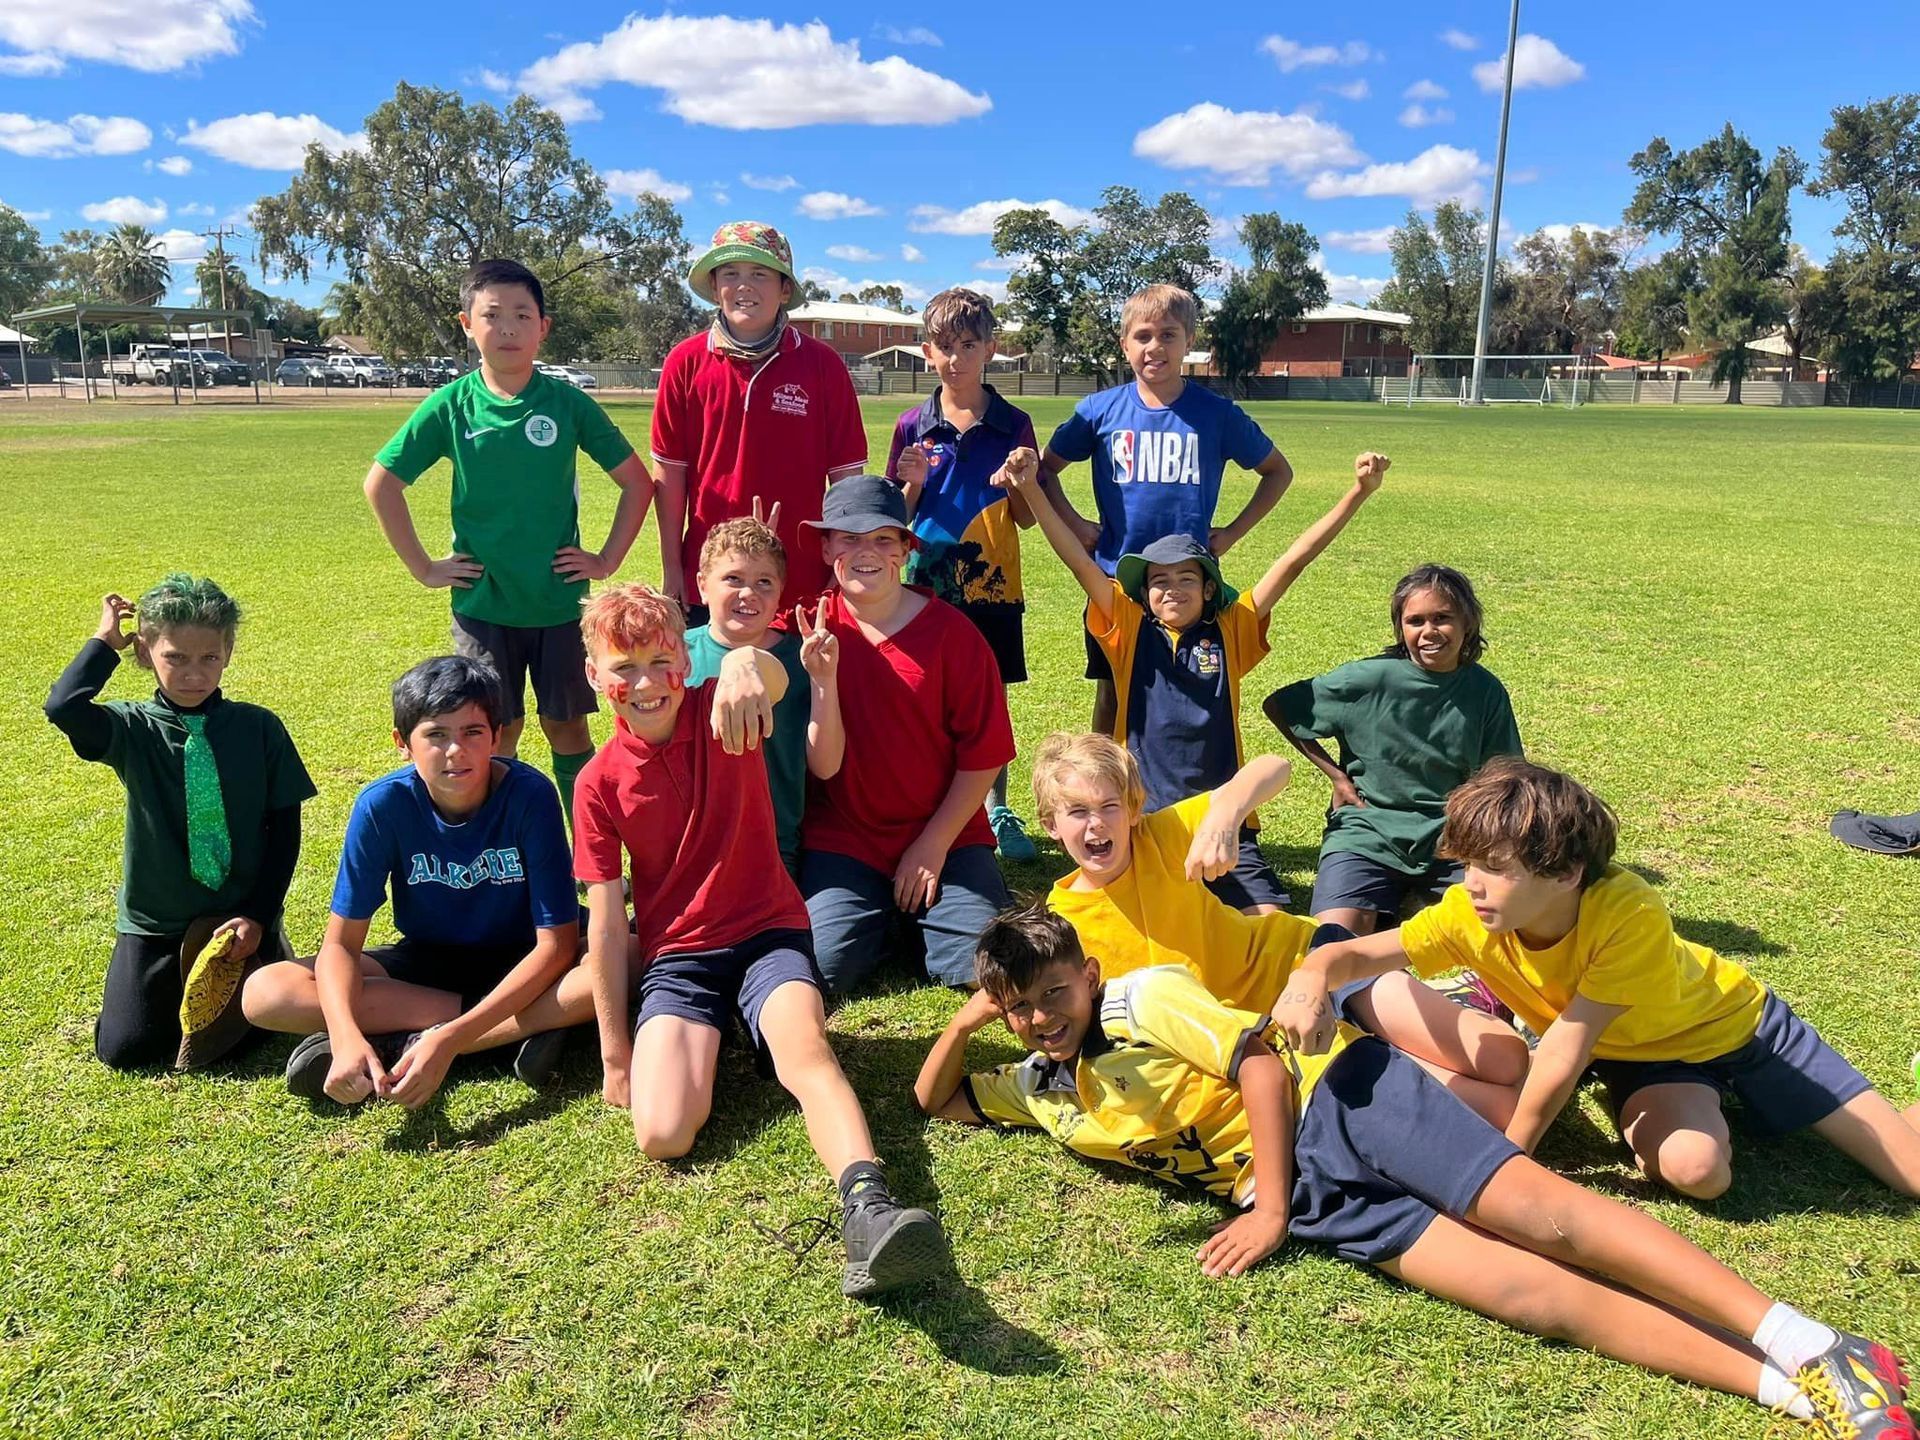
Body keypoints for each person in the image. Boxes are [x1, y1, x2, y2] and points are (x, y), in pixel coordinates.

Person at [917, 905, 1914, 1439]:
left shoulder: (1139, 1000)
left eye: (1053, 993)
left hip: (1342, 1101)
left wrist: (1263, 1213)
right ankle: (1793, 1396)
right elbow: (939, 1101)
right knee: (1534, 1298)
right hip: (1316, 1197)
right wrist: (969, 1019)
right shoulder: (1043, 1088)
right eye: (1021, 1007)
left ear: (1087, 975)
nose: (1041, 1017)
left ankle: (1812, 1340)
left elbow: (1260, 1063)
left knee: (1549, 1216)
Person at [1273, 757, 1920, 1206]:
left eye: (1493, 867)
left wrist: (1506, 1166)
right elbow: (1353, 957)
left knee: (1912, 1175)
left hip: (1743, 1031)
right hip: (1639, 1059)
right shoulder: (1467, 915)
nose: (1470, 882)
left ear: (1565, 873)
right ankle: (1660, 1106)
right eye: (1468, 862)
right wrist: (1308, 979)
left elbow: (1563, 1050)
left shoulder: (1628, 910)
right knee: (1699, 1173)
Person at [572, 581, 948, 1298]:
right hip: (679, 958)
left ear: (684, 661)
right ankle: (723, 1033)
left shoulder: (726, 709)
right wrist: (615, 1054)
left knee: (806, 1053)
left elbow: (773, 674)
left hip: (766, 931)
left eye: (661, 660)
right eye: (624, 668)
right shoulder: (596, 783)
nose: (647, 683)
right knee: (663, 1135)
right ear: (595, 676)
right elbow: (604, 920)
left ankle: (869, 1207)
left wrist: (747, 665)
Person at [1027, 730, 1525, 1110]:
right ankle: (1451, 1004)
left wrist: (1224, 818)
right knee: (1496, 1106)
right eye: (1076, 811)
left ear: (1134, 810)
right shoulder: (1061, 925)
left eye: (1109, 806)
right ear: (1051, 825)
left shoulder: (1160, 837)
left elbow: (1274, 766)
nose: (1096, 824)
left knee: (1503, 1058)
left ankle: (1474, 1000)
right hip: (1266, 1037)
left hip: (1313, 963)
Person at [1006, 446, 1388, 912]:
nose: (1172, 589)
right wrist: (1029, 488)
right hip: (1141, 821)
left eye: (1187, 578)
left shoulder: (1231, 629)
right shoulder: (1126, 629)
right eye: (1159, 580)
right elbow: (1078, 561)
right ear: (1144, 593)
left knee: (1266, 925)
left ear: (1209, 589)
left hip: (1224, 819)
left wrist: (1357, 493)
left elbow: (1293, 562)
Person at [362, 257, 654, 829]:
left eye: (523, 315)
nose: (509, 328)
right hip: (484, 607)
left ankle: (587, 856)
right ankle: (498, 852)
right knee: (492, 732)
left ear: (543, 327)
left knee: (567, 728)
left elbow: (636, 483)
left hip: (557, 604)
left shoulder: (566, 403)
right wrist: (423, 567)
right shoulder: (452, 405)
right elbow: (382, 483)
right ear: (467, 324)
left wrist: (605, 559)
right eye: (493, 315)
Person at [241, 656, 584, 1107]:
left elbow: (555, 946)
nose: (455, 751)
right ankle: (519, 1030)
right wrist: (343, 1036)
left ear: (497, 737)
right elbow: (341, 946)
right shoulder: (382, 806)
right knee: (266, 992)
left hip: (528, 958)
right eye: (436, 735)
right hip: (429, 965)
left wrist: (450, 1039)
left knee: (624, 960)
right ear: (403, 743)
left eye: (472, 732)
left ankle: (412, 1045)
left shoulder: (529, 796)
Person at [44, 576, 317, 1070]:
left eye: (208, 658)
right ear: (146, 652)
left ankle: (271, 949)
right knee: (128, 1049)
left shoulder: (259, 727)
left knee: (252, 1035)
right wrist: (105, 641)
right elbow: (63, 706)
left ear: (228, 652)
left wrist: (258, 914)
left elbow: (286, 831)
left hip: (240, 917)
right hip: (159, 919)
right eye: (176, 658)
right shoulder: (131, 728)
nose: (194, 674)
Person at [1032, 284, 1295, 735]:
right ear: (1125, 343)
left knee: (1188, 688)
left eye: (1169, 335)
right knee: (1113, 692)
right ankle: (1106, 783)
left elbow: (1277, 472)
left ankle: (1180, 784)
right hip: (1117, 579)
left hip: (1188, 583)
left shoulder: (1216, 414)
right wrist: (1077, 526)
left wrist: (1232, 532)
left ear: (1189, 341)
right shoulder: (1099, 411)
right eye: (1143, 336)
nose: (1155, 347)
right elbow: (1045, 469)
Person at [796, 476, 1015, 995]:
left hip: (948, 835)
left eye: (882, 539)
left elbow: (983, 757)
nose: (865, 551)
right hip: (846, 838)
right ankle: (886, 919)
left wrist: (932, 845)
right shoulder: (808, 626)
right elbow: (741, 644)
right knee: (820, 969)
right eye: (848, 537)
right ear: (826, 546)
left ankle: (918, 918)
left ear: (904, 548)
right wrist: (742, 664)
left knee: (988, 968)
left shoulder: (954, 636)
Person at [1264, 563, 1520, 934]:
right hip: (1367, 831)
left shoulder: (1484, 690)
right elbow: (1281, 706)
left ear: (1468, 623)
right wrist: (1336, 776)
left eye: (1442, 618)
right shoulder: (1367, 678)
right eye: (1415, 621)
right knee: (1333, 943)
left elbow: (1503, 775)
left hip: (1451, 837)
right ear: (1401, 628)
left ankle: (1409, 905)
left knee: (1500, 932)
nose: (1429, 632)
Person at [887, 287, 1040, 862]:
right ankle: (933, 800)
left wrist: (1022, 483)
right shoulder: (911, 424)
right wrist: (912, 485)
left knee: (987, 697)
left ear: (990, 349)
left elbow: (1026, 518)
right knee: (924, 692)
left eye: (969, 345)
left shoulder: (1015, 424)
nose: (957, 358)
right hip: (924, 586)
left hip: (993, 586)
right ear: (928, 351)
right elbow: (893, 520)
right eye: (945, 347)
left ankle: (995, 808)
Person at [650, 221, 867, 608]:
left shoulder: (823, 365)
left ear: (785, 289)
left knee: (796, 670)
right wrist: (671, 568)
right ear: (715, 288)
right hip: (711, 579)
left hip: (800, 579)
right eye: (730, 273)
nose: (744, 285)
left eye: (760, 274)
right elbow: (670, 475)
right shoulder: (684, 362)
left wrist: (841, 564)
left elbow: (848, 480)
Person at [685, 513, 844, 877]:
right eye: (733, 579)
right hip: (691, 844)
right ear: (702, 586)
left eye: (764, 582)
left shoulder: (802, 658)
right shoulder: (677, 656)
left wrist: (823, 681)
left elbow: (826, 765)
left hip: (774, 845)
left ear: (780, 592)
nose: (748, 593)